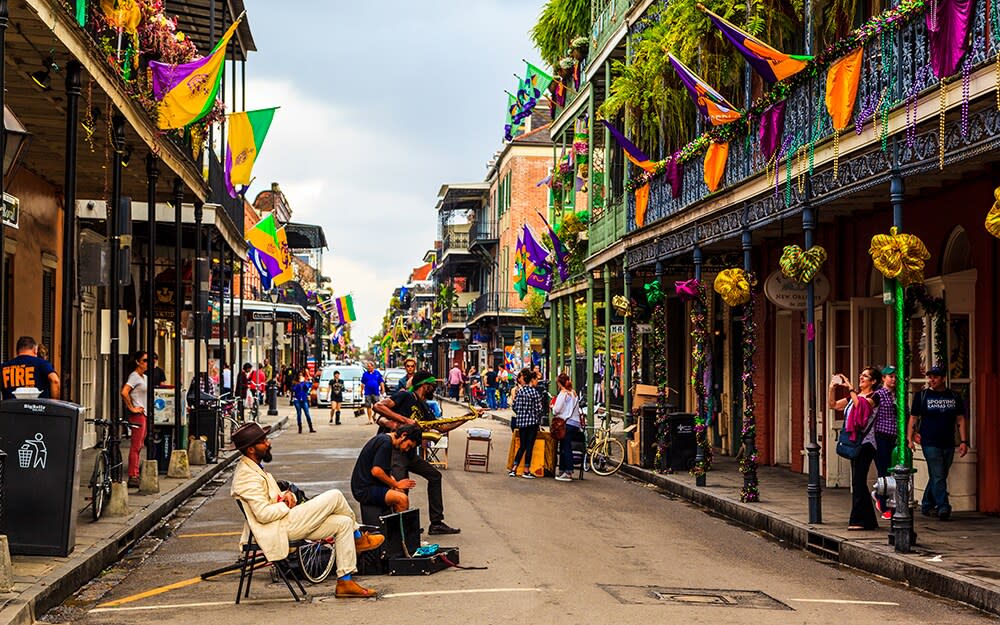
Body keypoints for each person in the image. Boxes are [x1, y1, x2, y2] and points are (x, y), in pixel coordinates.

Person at [229, 423, 383, 598]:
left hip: (283, 522)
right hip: (277, 529)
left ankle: (345, 582)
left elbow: (271, 499)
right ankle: (358, 538)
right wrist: (286, 504)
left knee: (344, 523)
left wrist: (286, 496)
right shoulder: (246, 476)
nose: (269, 443)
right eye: (263, 441)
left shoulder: (253, 468)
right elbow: (263, 514)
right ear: (251, 449)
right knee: (335, 496)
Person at [373, 371, 461, 535]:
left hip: (411, 453)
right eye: (432, 386)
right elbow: (378, 406)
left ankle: (436, 523)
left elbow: (440, 427)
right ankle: (401, 530)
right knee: (401, 489)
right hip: (395, 451)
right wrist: (403, 420)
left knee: (435, 476)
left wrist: (467, 417)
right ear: (424, 385)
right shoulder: (405, 396)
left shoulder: (425, 406)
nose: (433, 390)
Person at [907, 365, 969, 521]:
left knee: (939, 475)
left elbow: (960, 419)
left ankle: (927, 504)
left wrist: (963, 441)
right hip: (929, 441)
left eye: (935, 377)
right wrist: (910, 437)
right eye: (930, 377)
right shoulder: (922, 396)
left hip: (948, 441)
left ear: (943, 378)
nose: (931, 380)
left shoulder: (954, 396)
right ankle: (943, 506)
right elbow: (913, 417)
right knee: (938, 475)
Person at [829, 367, 881, 530]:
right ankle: (869, 521)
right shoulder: (853, 397)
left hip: (866, 444)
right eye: (861, 375)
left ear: (873, 381)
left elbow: (861, 407)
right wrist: (832, 388)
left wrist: (851, 387)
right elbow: (834, 405)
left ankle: (858, 520)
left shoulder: (874, 397)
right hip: (855, 442)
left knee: (858, 481)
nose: (861, 378)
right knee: (858, 482)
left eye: (865, 376)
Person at [351, 425, 422, 513]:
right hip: (365, 489)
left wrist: (395, 484)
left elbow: (383, 470)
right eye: (408, 445)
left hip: (368, 485)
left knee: (400, 492)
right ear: (403, 435)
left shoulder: (384, 439)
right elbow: (376, 471)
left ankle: (394, 522)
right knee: (402, 499)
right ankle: (400, 526)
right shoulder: (386, 443)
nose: (407, 449)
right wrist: (396, 484)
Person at [872, 364, 899, 518]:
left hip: (894, 437)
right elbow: (868, 408)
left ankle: (891, 501)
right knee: (883, 471)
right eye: (890, 376)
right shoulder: (879, 394)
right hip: (881, 436)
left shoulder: (897, 395)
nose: (893, 379)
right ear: (883, 378)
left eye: (895, 377)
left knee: (894, 471)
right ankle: (883, 504)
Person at [121, 350, 149, 488]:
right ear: (137, 362)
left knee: (140, 445)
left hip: (144, 414)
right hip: (137, 414)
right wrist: (132, 407)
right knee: (136, 445)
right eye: (144, 360)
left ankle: (136, 472)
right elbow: (124, 392)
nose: (147, 363)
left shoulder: (144, 377)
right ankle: (133, 474)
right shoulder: (134, 376)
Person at [509, 368, 544, 479]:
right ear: (531, 380)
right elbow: (539, 409)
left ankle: (514, 469)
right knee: (529, 446)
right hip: (532, 422)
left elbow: (515, 406)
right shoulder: (534, 393)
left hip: (521, 422)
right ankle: (526, 470)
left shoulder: (520, 391)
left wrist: (522, 413)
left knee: (522, 446)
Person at [552, 373, 584, 482]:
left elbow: (557, 410)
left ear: (559, 383)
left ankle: (568, 472)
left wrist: (552, 407)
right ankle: (562, 470)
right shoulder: (574, 393)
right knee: (566, 446)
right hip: (575, 423)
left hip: (566, 423)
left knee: (566, 447)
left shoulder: (562, 394)